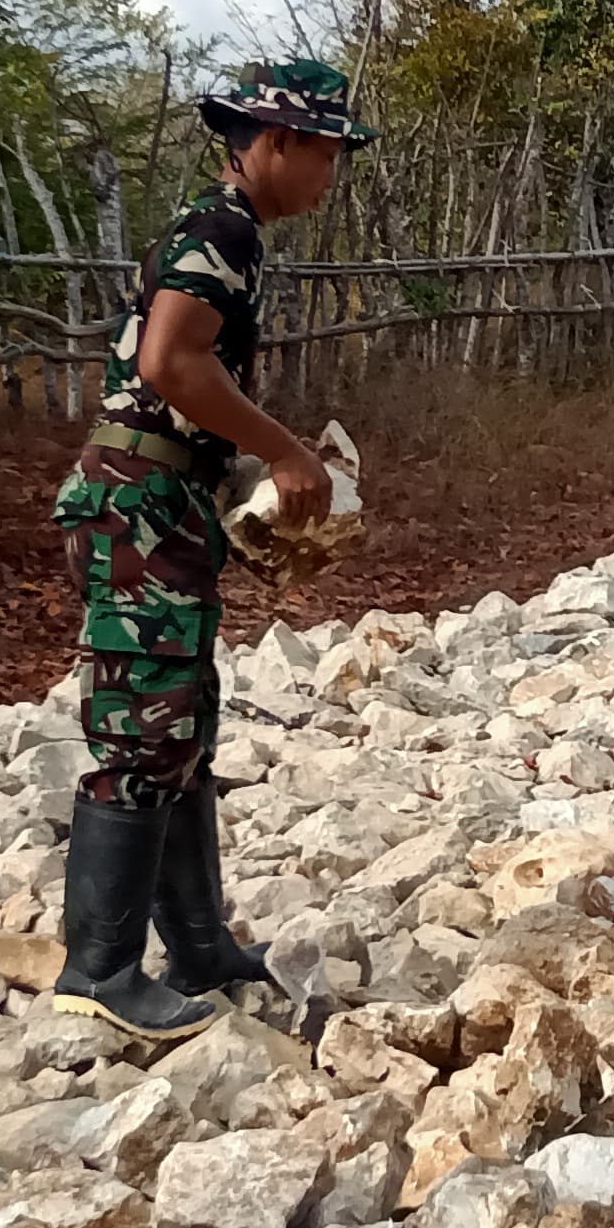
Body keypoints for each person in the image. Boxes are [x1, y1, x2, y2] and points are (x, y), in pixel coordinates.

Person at [48, 60, 372, 1042]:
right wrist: (279, 448)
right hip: (138, 508)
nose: (327, 178)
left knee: (179, 728)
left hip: (166, 502)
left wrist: (252, 475)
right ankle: (98, 970)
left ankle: (194, 949)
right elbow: (167, 362)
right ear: (274, 143)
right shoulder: (218, 230)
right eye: (323, 155)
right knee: (142, 731)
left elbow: (175, 383)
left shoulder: (233, 235)